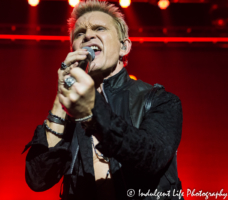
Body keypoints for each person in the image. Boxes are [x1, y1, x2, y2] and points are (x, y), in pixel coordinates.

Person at [23, 0, 183, 199]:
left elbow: (150, 157)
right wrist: (60, 99)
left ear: (123, 47)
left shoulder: (159, 101)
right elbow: (38, 179)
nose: (88, 35)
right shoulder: (71, 113)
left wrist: (92, 109)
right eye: (80, 34)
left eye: (99, 28)